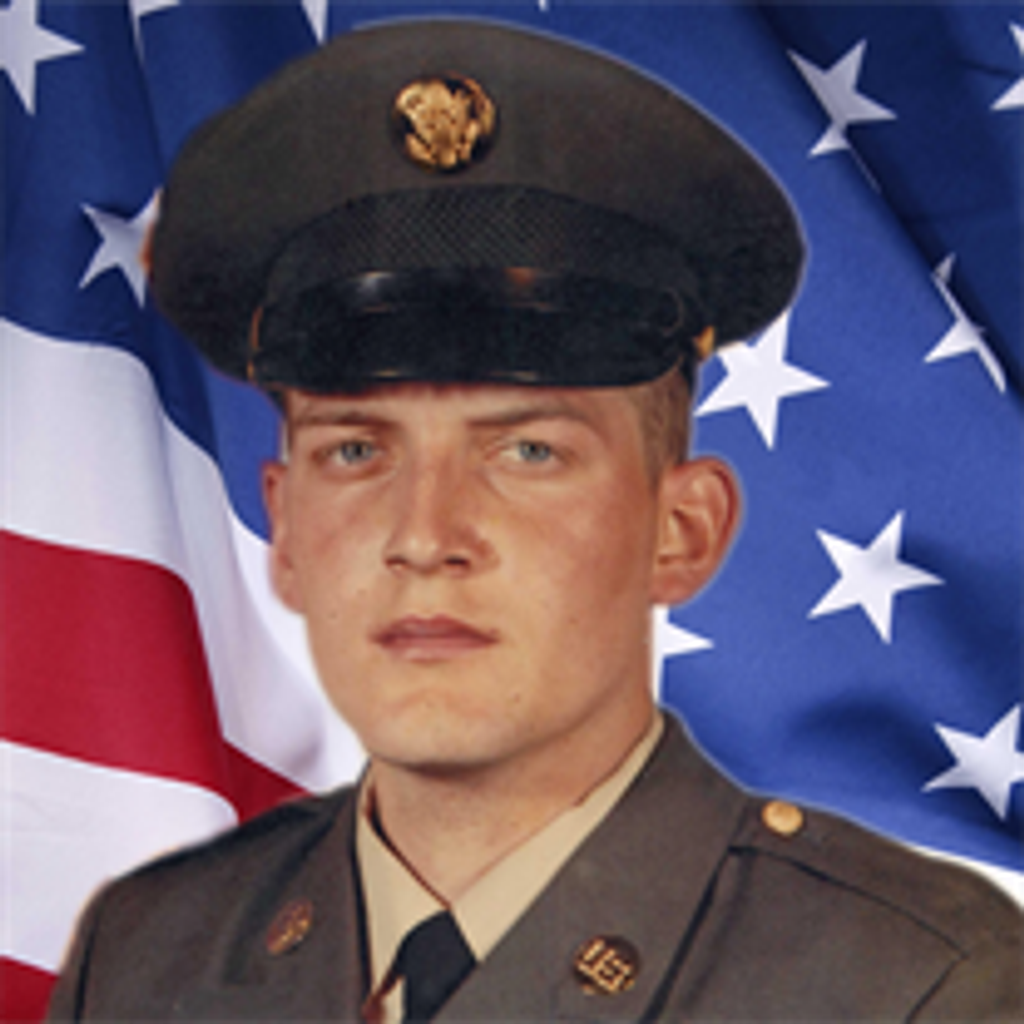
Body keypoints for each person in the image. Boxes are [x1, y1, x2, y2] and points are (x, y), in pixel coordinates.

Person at [45, 18, 1023, 1024]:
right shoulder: (145, 958)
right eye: (357, 451)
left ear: (681, 529)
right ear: (284, 526)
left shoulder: (909, 988)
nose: (425, 535)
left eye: (526, 453)